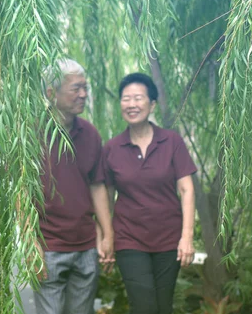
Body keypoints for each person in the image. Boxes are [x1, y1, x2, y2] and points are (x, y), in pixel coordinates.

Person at [102, 73, 197, 314]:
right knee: (143, 305)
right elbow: (107, 197)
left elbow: (186, 190)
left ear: (152, 104)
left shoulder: (172, 142)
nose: (132, 104)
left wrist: (187, 237)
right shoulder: (112, 148)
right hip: (129, 239)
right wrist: (106, 236)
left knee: (163, 307)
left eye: (138, 98)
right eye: (126, 99)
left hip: (168, 238)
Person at [33, 59, 114, 314]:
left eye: (85, 87)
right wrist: (30, 243)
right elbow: (20, 191)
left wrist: (108, 233)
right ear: (51, 93)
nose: (84, 94)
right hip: (48, 246)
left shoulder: (90, 134)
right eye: (76, 88)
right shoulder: (31, 133)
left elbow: (97, 186)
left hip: (86, 245)